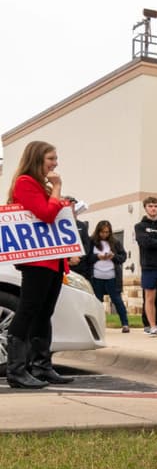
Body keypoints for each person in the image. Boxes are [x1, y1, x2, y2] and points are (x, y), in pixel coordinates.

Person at [5, 140, 74, 388]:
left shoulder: (40, 185)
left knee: (44, 313)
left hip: (52, 260)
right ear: (36, 159)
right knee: (28, 310)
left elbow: (51, 216)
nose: (55, 164)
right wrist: (57, 189)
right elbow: (45, 214)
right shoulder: (25, 182)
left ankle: (41, 366)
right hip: (37, 261)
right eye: (51, 159)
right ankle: (16, 370)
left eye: (55, 159)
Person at [88, 220, 129, 332]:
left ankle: (125, 324)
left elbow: (123, 257)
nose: (104, 234)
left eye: (107, 232)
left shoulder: (115, 242)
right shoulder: (91, 242)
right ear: (98, 231)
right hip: (96, 277)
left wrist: (113, 257)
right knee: (97, 302)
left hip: (112, 277)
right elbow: (87, 258)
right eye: (102, 232)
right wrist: (98, 257)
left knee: (117, 301)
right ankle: (96, 326)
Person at [134, 196, 157, 335]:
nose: (153, 208)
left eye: (155, 206)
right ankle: (151, 325)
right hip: (149, 266)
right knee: (150, 298)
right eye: (150, 206)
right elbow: (145, 243)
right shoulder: (140, 226)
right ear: (145, 208)